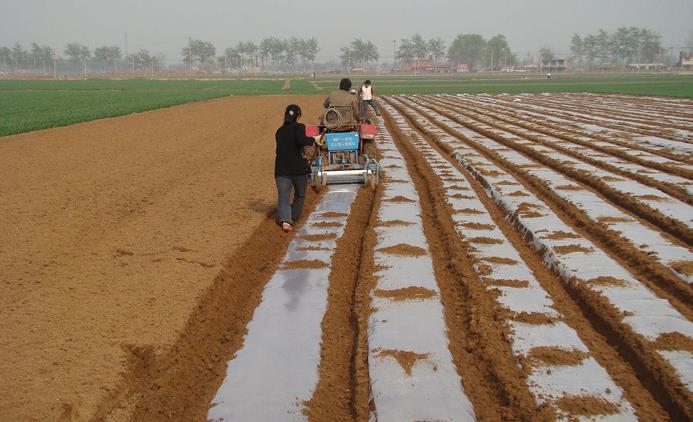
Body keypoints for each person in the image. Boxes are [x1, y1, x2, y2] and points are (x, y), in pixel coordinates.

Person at [275, 104, 318, 232]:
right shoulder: (299, 127)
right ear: (298, 116)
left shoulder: (279, 131)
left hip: (281, 169)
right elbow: (301, 140)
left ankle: (286, 220)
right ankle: (292, 217)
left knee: (283, 195)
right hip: (298, 169)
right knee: (300, 195)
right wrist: (314, 140)